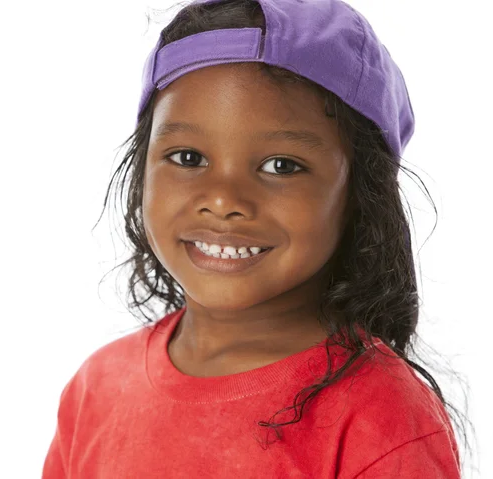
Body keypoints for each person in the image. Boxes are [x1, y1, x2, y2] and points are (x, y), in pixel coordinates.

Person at [42, 0, 469, 477]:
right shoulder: (96, 387)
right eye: (187, 158)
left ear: (359, 194)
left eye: (281, 166)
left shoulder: (381, 416)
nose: (223, 199)